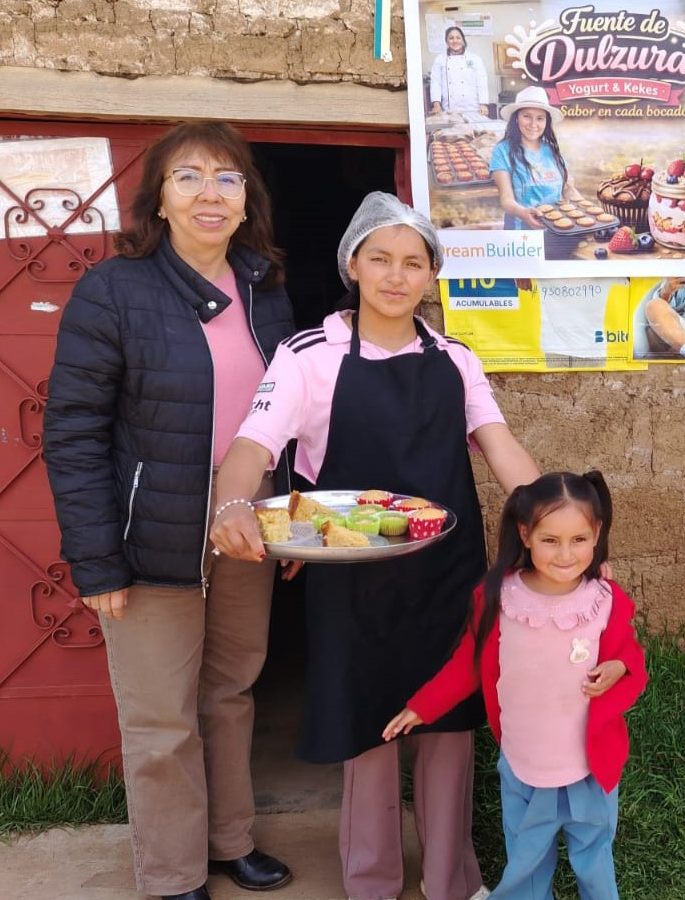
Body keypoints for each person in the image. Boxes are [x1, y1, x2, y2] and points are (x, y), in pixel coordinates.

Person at [208, 192, 540, 900]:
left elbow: (500, 449)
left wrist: (554, 525)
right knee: (368, 731)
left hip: (447, 574)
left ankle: (450, 881)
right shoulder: (310, 355)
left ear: (431, 276)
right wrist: (232, 506)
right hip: (350, 577)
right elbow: (251, 446)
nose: (396, 276)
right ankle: (372, 882)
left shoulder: (455, 358)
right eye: (380, 259)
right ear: (352, 264)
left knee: (449, 725)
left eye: (413, 263)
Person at [43, 122, 295, 900]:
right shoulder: (115, 289)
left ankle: (229, 842)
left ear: (247, 196)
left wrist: (291, 524)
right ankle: (173, 872)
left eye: (227, 178)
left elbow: (289, 414)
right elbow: (74, 430)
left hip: (246, 520)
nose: (210, 194)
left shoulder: (267, 287)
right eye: (189, 177)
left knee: (230, 691)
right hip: (149, 531)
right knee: (161, 719)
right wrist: (95, 559)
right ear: (158, 196)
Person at [385, 471, 648, 900]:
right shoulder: (500, 599)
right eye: (550, 540)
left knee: (595, 859)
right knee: (526, 863)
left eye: (579, 540)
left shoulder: (604, 600)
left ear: (596, 533)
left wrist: (619, 666)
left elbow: (632, 656)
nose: (566, 554)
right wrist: (423, 706)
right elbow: (468, 665)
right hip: (525, 765)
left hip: (590, 767)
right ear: (525, 534)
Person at [490, 85, 583, 229]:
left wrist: (586, 209)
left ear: (546, 123)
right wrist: (523, 213)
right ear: (516, 118)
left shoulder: (553, 150)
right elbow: (506, 199)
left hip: (557, 230)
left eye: (540, 118)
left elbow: (567, 189)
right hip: (521, 233)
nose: (533, 124)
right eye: (527, 116)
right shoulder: (502, 150)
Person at [429, 26, 489, 116]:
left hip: (473, 107)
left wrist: (483, 104)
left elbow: (482, 82)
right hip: (449, 110)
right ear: (446, 41)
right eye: (451, 38)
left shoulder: (475, 59)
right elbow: (436, 82)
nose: (455, 41)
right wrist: (436, 104)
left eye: (458, 38)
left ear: (463, 40)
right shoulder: (439, 59)